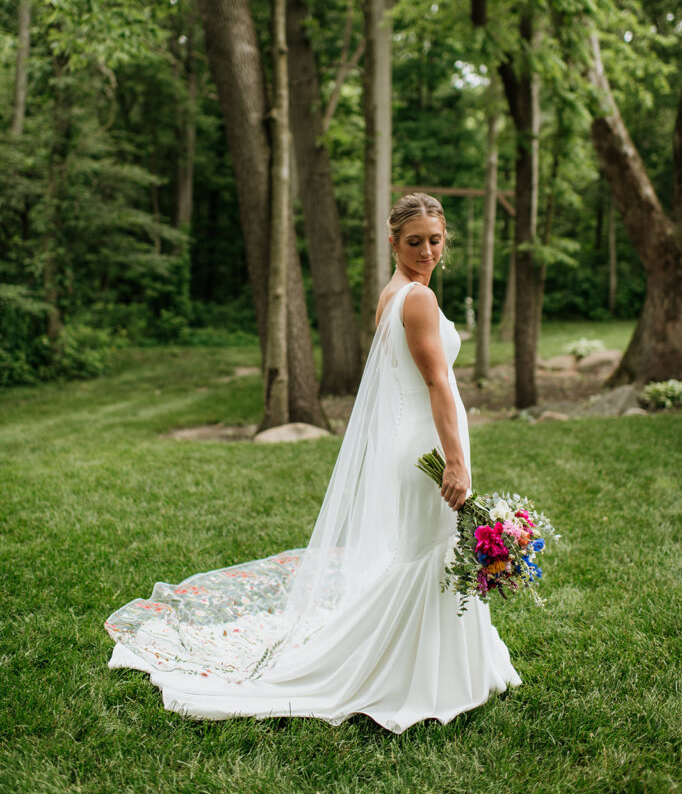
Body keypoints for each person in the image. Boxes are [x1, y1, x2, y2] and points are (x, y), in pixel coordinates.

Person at [106, 192, 521, 732]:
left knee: (434, 553)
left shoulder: (394, 294)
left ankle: (450, 669)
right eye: (414, 241)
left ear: (446, 241)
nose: (426, 251)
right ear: (392, 241)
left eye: (435, 241)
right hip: (430, 447)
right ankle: (413, 678)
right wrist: (457, 462)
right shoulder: (417, 300)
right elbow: (437, 382)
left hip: (416, 442)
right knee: (431, 554)